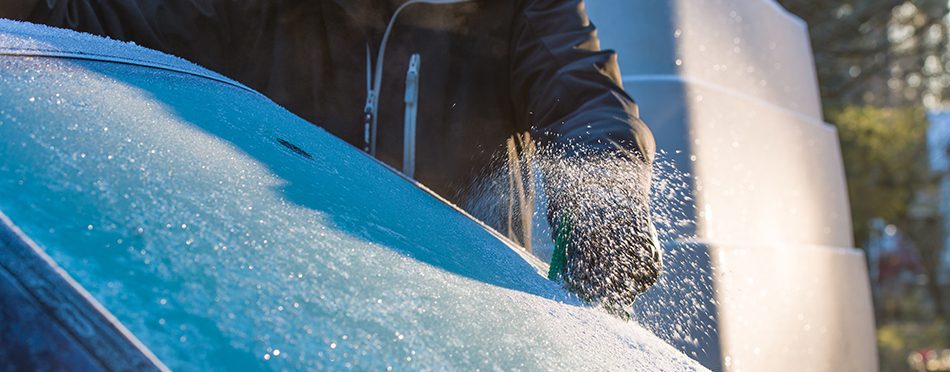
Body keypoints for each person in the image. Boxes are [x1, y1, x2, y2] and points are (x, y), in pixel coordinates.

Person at [3, 0, 662, 314]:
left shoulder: (518, 10)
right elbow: (83, 18)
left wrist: (609, 201)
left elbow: (587, 103)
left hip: (473, 346)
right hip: (296, 342)